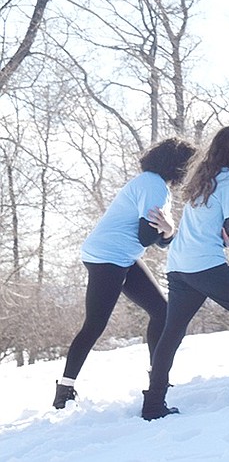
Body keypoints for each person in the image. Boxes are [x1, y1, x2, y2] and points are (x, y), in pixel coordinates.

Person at [141, 126, 229, 421]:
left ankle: (153, 403)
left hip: (179, 266)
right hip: (205, 264)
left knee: (172, 333)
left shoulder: (200, 178)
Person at [53, 138, 196, 409]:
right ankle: (64, 390)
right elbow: (146, 237)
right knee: (95, 324)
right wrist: (166, 229)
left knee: (162, 311)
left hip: (122, 257)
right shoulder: (154, 185)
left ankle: (158, 378)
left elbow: (160, 238)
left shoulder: (152, 184)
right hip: (107, 257)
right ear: (178, 166)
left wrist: (167, 230)